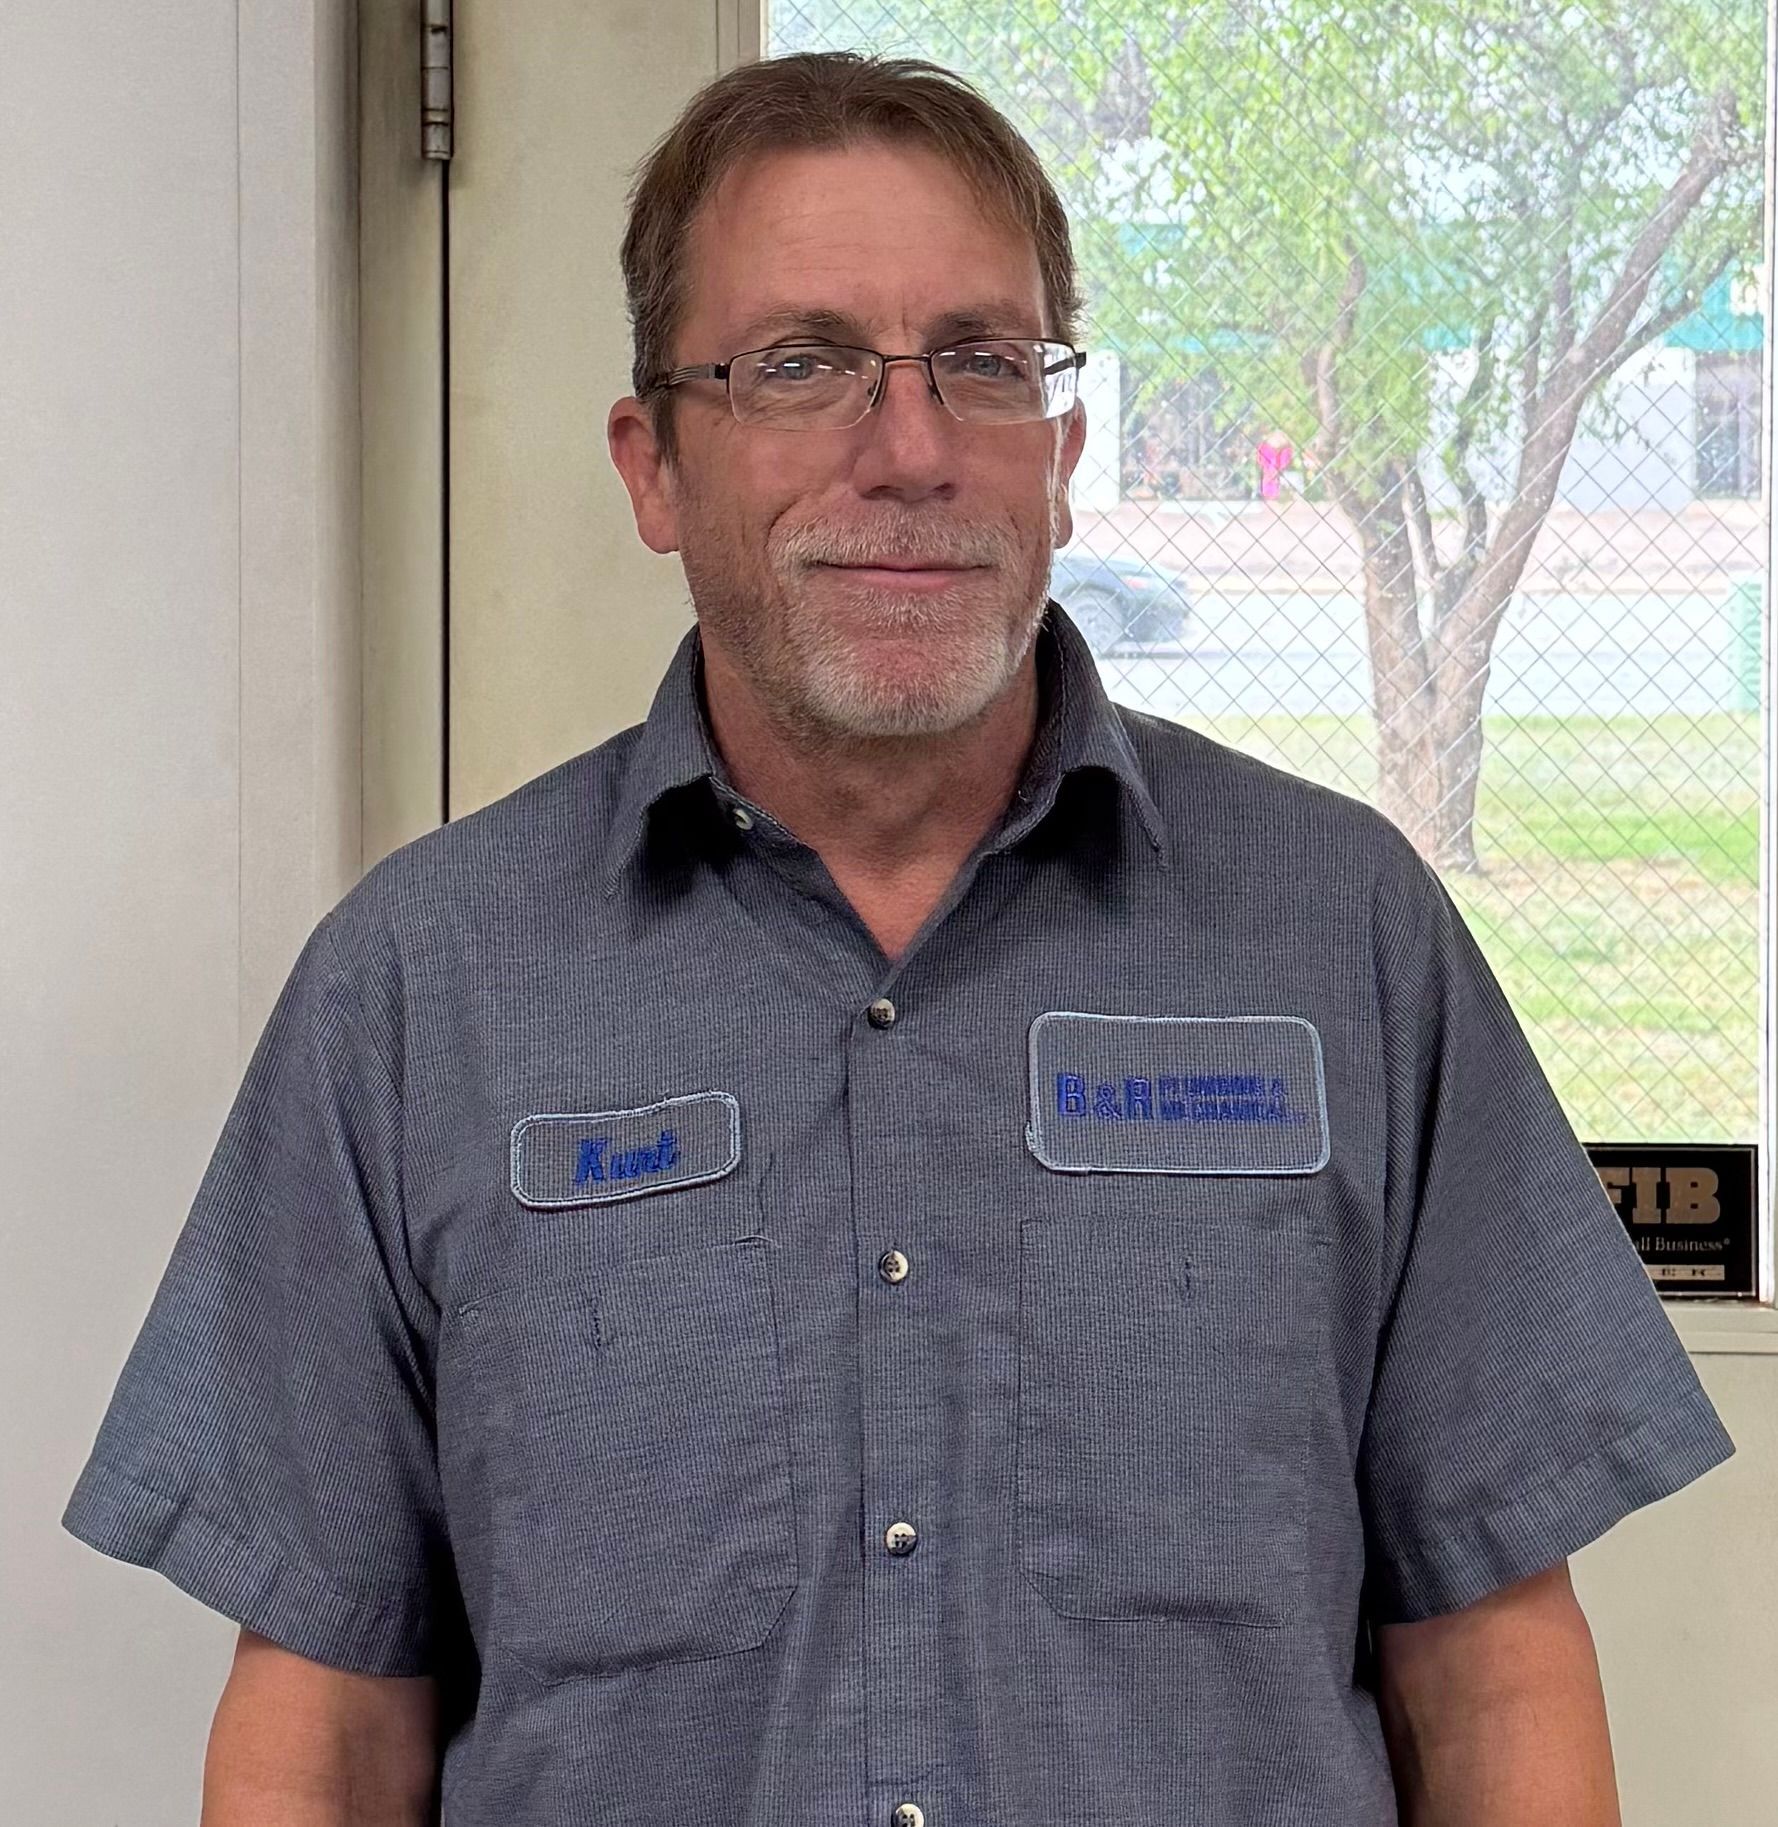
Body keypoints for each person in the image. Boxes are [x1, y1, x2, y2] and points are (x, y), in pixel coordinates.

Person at [63, 50, 1733, 1827]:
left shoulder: (1344, 942)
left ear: (1064, 455)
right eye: (800, 366)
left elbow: (1490, 1675)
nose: (913, 448)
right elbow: (323, 1728)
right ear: (652, 464)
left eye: (982, 363)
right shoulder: (421, 989)